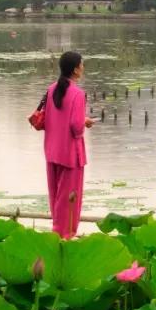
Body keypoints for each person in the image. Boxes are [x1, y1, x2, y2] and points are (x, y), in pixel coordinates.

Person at [43, 51, 93, 238]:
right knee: (69, 202)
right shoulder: (78, 94)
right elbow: (75, 127)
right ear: (75, 69)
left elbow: (52, 118)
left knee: (56, 198)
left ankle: (56, 235)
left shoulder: (51, 89)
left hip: (52, 151)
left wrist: (82, 119)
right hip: (71, 155)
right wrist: (84, 123)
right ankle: (64, 239)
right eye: (82, 64)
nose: (83, 68)